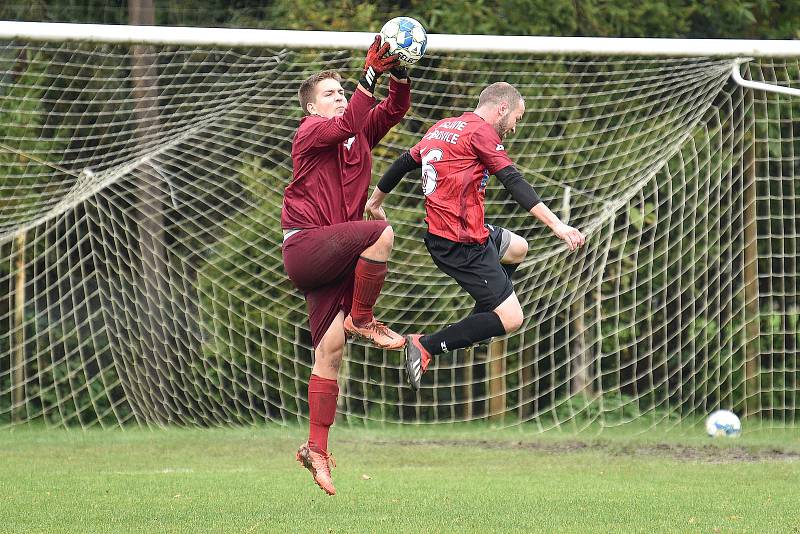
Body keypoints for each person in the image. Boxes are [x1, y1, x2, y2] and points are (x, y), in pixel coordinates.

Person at [364, 82, 586, 391]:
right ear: (502, 109)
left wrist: (375, 201)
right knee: (511, 319)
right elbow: (512, 179)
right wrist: (558, 225)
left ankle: (476, 324)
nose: (514, 128)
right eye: (517, 119)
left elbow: (404, 162)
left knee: (518, 248)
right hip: (461, 245)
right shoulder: (482, 132)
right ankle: (425, 345)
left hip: (463, 234)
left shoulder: (444, 126)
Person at [282, 36, 411, 495]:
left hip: (334, 257)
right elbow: (348, 122)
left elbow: (392, 111)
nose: (339, 97)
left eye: (342, 90)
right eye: (330, 94)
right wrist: (368, 76)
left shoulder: (357, 131)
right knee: (382, 231)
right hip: (307, 246)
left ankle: (316, 449)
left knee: (329, 352)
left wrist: (398, 71)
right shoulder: (312, 132)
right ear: (313, 110)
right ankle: (364, 318)